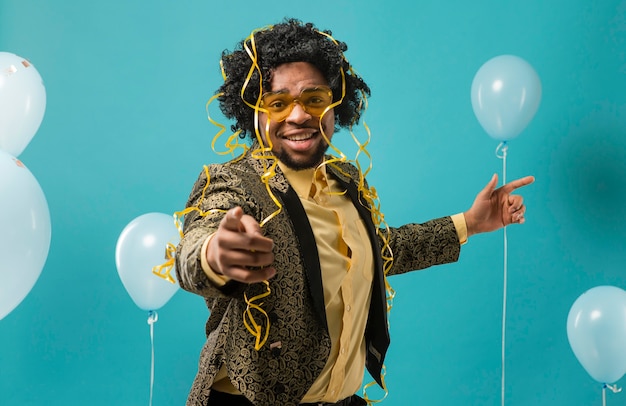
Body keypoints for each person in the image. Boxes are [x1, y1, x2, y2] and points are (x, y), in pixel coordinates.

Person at [175, 18, 534, 406]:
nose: (298, 116)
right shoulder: (233, 183)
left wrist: (471, 223)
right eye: (277, 104)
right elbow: (196, 246)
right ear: (254, 113)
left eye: (314, 99)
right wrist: (215, 255)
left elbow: (380, 250)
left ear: (334, 106)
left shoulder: (345, 179)